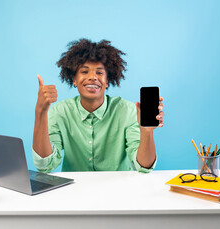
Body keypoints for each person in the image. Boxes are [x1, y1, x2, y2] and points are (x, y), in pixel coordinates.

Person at [32, 39, 164, 173]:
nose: (92, 77)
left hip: (119, 189)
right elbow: (45, 165)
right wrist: (40, 112)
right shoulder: (60, 112)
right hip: (74, 191)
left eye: (99, 73)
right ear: (74, 80)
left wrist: (147, 133)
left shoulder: (127, 111)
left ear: (107, 81)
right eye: (84, 72)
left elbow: (144, 167)